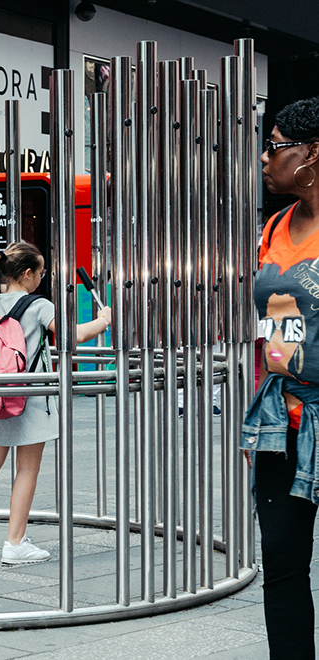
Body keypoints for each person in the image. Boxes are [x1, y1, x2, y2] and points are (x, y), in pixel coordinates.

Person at [0, 241, 111, 564]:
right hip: (31, 400)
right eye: (41, 272)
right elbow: (71, 336)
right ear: (28, 273)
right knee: (27, 469)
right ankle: (14, 543)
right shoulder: (39, 305)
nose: (42, 279)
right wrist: (103, 320)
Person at [240, 95, 319, 660]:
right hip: (283, 422)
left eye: (273, 148)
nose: (264, 160)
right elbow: (278, 324)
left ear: (312, 153)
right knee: (283, 566)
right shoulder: (275, 226)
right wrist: (260, 414)